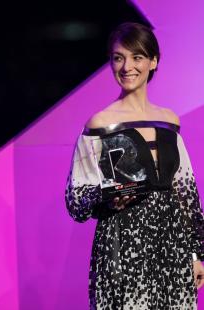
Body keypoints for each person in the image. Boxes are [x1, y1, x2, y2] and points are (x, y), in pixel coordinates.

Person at [65, 22, 204, 309]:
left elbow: (186, 192)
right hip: (122, 246)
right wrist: (108, 196)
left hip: (172, 248)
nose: (127, 66)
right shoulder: (99, 125)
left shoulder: (169, 121)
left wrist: (195, 255)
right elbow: (75, 199)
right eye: (119, 57)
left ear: (153, 62)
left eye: (137, 56)